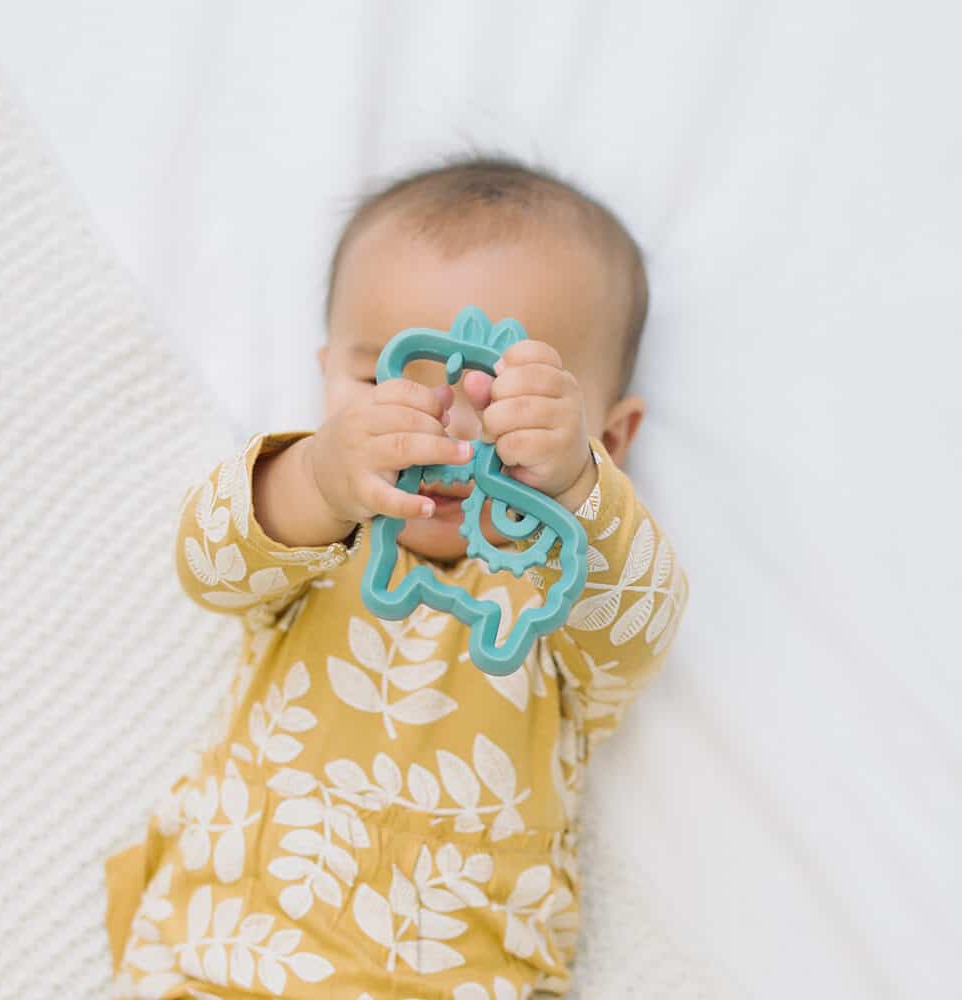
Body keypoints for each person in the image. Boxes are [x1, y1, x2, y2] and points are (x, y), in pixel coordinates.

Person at [105, 154, 689, 999]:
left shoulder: (552, 601)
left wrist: (578, 491)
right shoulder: (319, 551)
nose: (445, 431)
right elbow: (208, 565)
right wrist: (312, 480)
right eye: (383, 379)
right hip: (224, 956)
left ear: (612, 437)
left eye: (506, 404)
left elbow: (643, 621)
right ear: (326, 376)